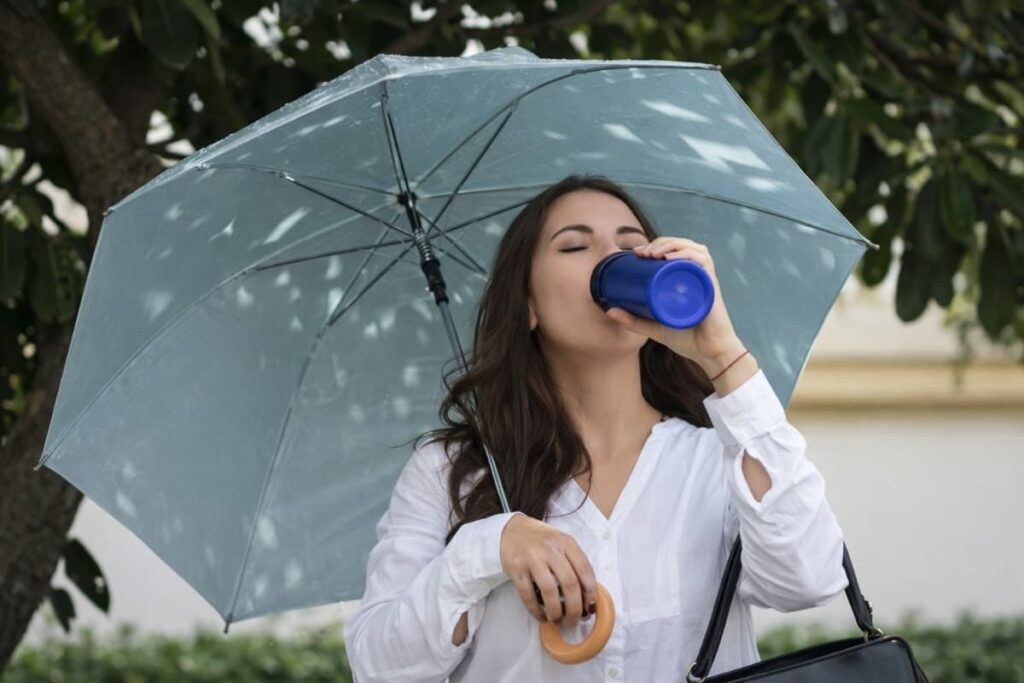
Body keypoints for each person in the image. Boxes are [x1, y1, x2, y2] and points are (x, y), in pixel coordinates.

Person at [342, 174, 849, 682]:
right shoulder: (453, 471)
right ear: (528, 306)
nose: (612, 256)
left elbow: (808, 578)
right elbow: (378, 667)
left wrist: (722, 354)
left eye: (632, 245)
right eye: (576, 245)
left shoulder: (719, 457)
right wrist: (488, 547)